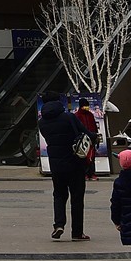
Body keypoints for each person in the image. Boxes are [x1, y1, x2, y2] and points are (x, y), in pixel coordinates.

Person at [39, 96, 91, 241]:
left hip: (56, 165)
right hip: (74, 163)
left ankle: (59, 224)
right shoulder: (69, 117)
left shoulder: (42, 122)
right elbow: (84, 132)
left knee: (59, 195)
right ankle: (77, 233)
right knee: (77, 197)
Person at [73, 95, 99, 182]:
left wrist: (95, 135)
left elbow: (94, 127)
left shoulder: (90, 115)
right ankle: (84, 174)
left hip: (91, 138)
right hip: (82, 140)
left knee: (91, 157)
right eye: (85, 105)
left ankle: (92, 173)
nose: (87, 107)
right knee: (83, 157)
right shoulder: (77, 115)